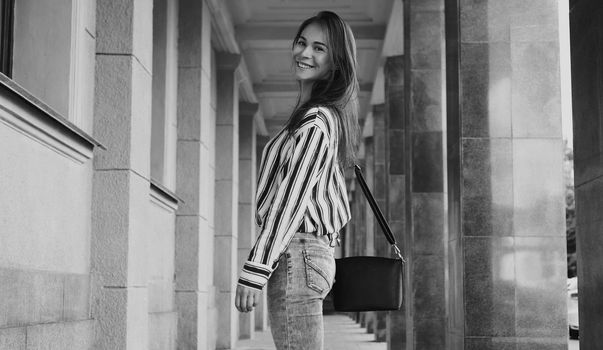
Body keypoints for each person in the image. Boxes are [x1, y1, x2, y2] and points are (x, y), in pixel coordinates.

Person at [234, 11, 359, 349]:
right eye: (302, 43)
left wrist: (255, 269)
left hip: (297, 255)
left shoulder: (316, 122)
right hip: (301, 257)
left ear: (335, 63)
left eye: (319, 48)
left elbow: (289, 202)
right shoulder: (309, 117)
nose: (305, 53)